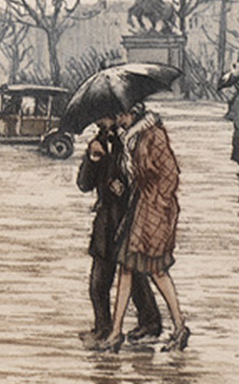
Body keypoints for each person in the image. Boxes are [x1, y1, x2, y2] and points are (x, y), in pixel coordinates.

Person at [97, 103, 190, 352]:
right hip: (140, 207)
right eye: (117, 116)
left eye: (122, 115)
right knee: (127, 267)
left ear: (134, 113)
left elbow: (171, 175)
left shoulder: (153, 135)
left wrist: (156, 204)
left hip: (155, 210)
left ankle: (179, 327)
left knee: (156, 270)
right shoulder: (130, 138)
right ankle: (116, 332)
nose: (118, 120)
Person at [76, 116, 162, 344]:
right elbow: (84, 184)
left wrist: (121, 187)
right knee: (99, 282)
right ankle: (103, 327)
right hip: (106, 220)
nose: (98, 121)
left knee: (134, 274)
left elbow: (142, 180)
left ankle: (150, 322)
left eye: (103, 116)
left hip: (128, 216)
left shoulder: (130, 141)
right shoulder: (98, 142)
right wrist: (93, 158)